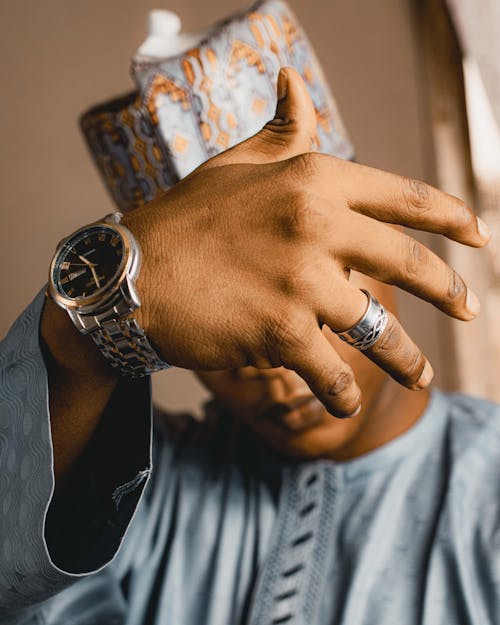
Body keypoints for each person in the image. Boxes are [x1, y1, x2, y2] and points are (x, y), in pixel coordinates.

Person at [0, 68, 495, 625]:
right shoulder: (119, 481)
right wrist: (103, 310)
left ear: (381, 244)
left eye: (313, 298)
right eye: (231, 333)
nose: (278, 368)